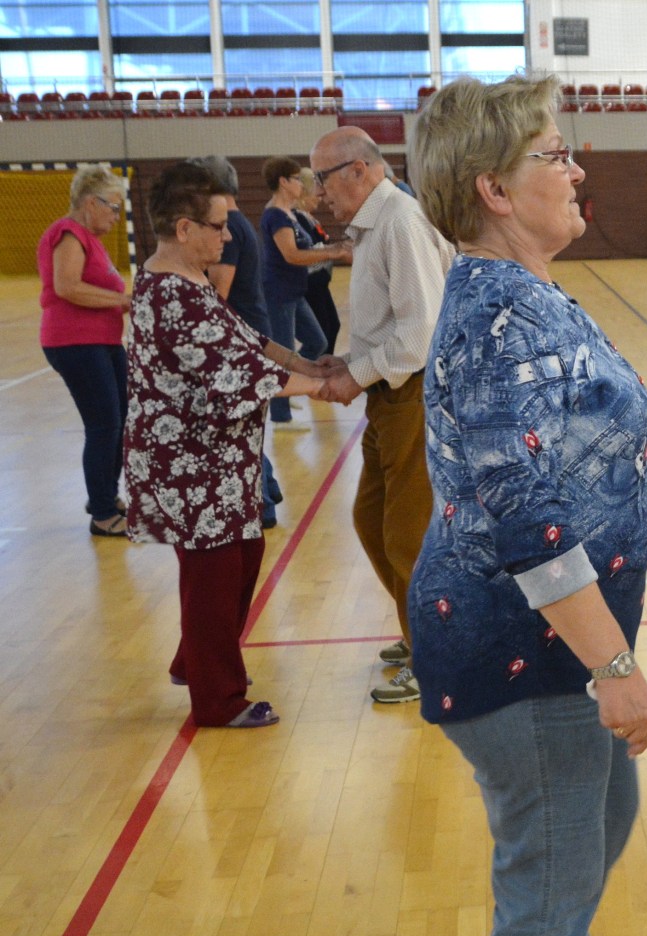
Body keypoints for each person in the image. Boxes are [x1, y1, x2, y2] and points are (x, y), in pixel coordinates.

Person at [406, 75, 647, 936]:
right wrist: (616, 667)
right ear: (494, 189)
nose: (577, 167)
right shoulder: (502, 317)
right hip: (522, 647)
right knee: (551, 875)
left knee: (598, 815)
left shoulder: (524, 291)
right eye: (555, 153)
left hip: (542, 639)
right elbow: (528, 524)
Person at [123, 162, 343, 728]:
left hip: (219, 462)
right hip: (189, 464)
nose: (228, 236)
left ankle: (194, 660)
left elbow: (247, 340)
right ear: (183, 228)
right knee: (214, 576)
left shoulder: (188, 280)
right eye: (218, 226)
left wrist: (304, 362)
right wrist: (324, 387)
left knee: (240, 557)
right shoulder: (171, 292)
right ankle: (217, 700)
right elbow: (233, 374)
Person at [308, 125, 452, 704]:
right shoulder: (375, 225)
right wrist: (349, 362)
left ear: (359, 170)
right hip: (388, 394)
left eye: (322, 179)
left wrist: (355, 374)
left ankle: (435, 659)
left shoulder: (400, 222)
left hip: (414, 394)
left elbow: (420, 334)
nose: (318, 193)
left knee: (408, 535)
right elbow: (392, 326)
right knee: (371, 520)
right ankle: (419, 633)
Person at [37, 164, 133, 537]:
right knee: (104, 424)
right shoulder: (68, 234)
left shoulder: (90, 239)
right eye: (113, 207)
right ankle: (103, 514)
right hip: (75, 343)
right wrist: (122, 300)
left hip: (103, 342)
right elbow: (67, 287)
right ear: (91, 203)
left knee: (120, 418)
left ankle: (105, 496)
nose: (116, 216)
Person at [187, 154, 283, 529]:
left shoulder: (225, 229)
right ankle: (267, 488)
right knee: (244, 427)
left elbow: (219, 292)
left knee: (238, 430)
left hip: (239, 338)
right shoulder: (239, 223)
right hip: (249, 331)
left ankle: (262, 506)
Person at [259, 156, 349, 426]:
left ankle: (288, 388)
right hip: (279, 294)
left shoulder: (290, 214)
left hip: (295, 292)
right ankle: (280, 416)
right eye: (297, 179)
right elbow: (292, 255)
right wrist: (332, 252)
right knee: (284, 352)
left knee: (317, 341)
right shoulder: (275, 215)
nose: (301, 184)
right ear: (283, 182)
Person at [293, 167, 342, 354]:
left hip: (320, 285)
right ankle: (312, 367)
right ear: (304, 191)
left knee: (332, 326)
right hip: (310, 285)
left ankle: (324, 364)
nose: (320, 196)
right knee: (321, 335)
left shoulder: (309, 218)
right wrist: (335, 251)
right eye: (316, 189)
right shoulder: (297, 218)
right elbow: (305, 252)